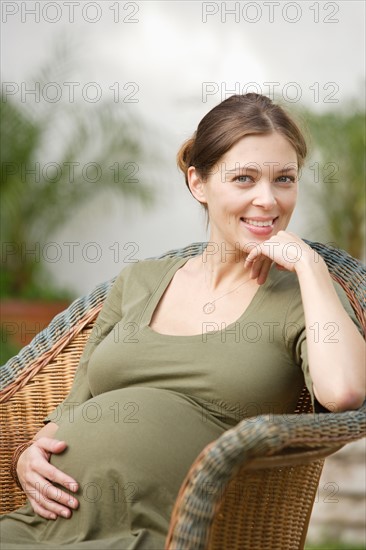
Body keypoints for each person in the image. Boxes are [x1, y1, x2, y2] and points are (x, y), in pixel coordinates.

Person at [1, 93, 364, 550]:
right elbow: (70, 410)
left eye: (284, 179)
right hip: (43, 524)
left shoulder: (304, 296)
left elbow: (345, 392)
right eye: (244, 178)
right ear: (199, 183)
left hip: (165, 534)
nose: (267, 199)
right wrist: (24, 458)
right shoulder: (139, 280)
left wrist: (311, 266)